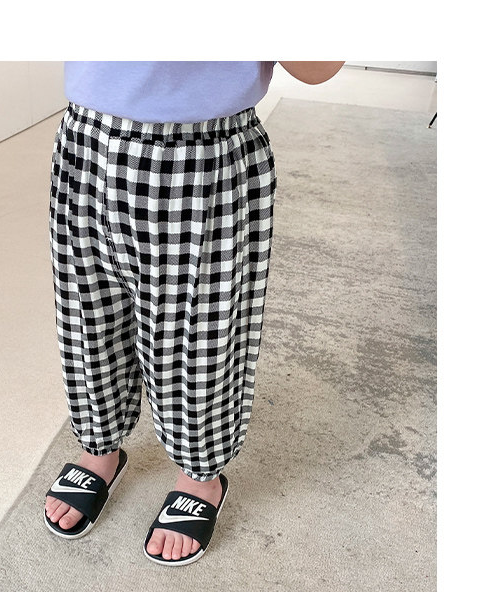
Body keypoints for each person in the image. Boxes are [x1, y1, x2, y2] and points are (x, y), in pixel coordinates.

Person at [44, 61, 345, 566]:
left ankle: (200, 476)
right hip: (86, 138)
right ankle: (99, 447)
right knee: (87, 317)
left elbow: (319, 66)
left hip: (204, 151)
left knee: (199, 337)